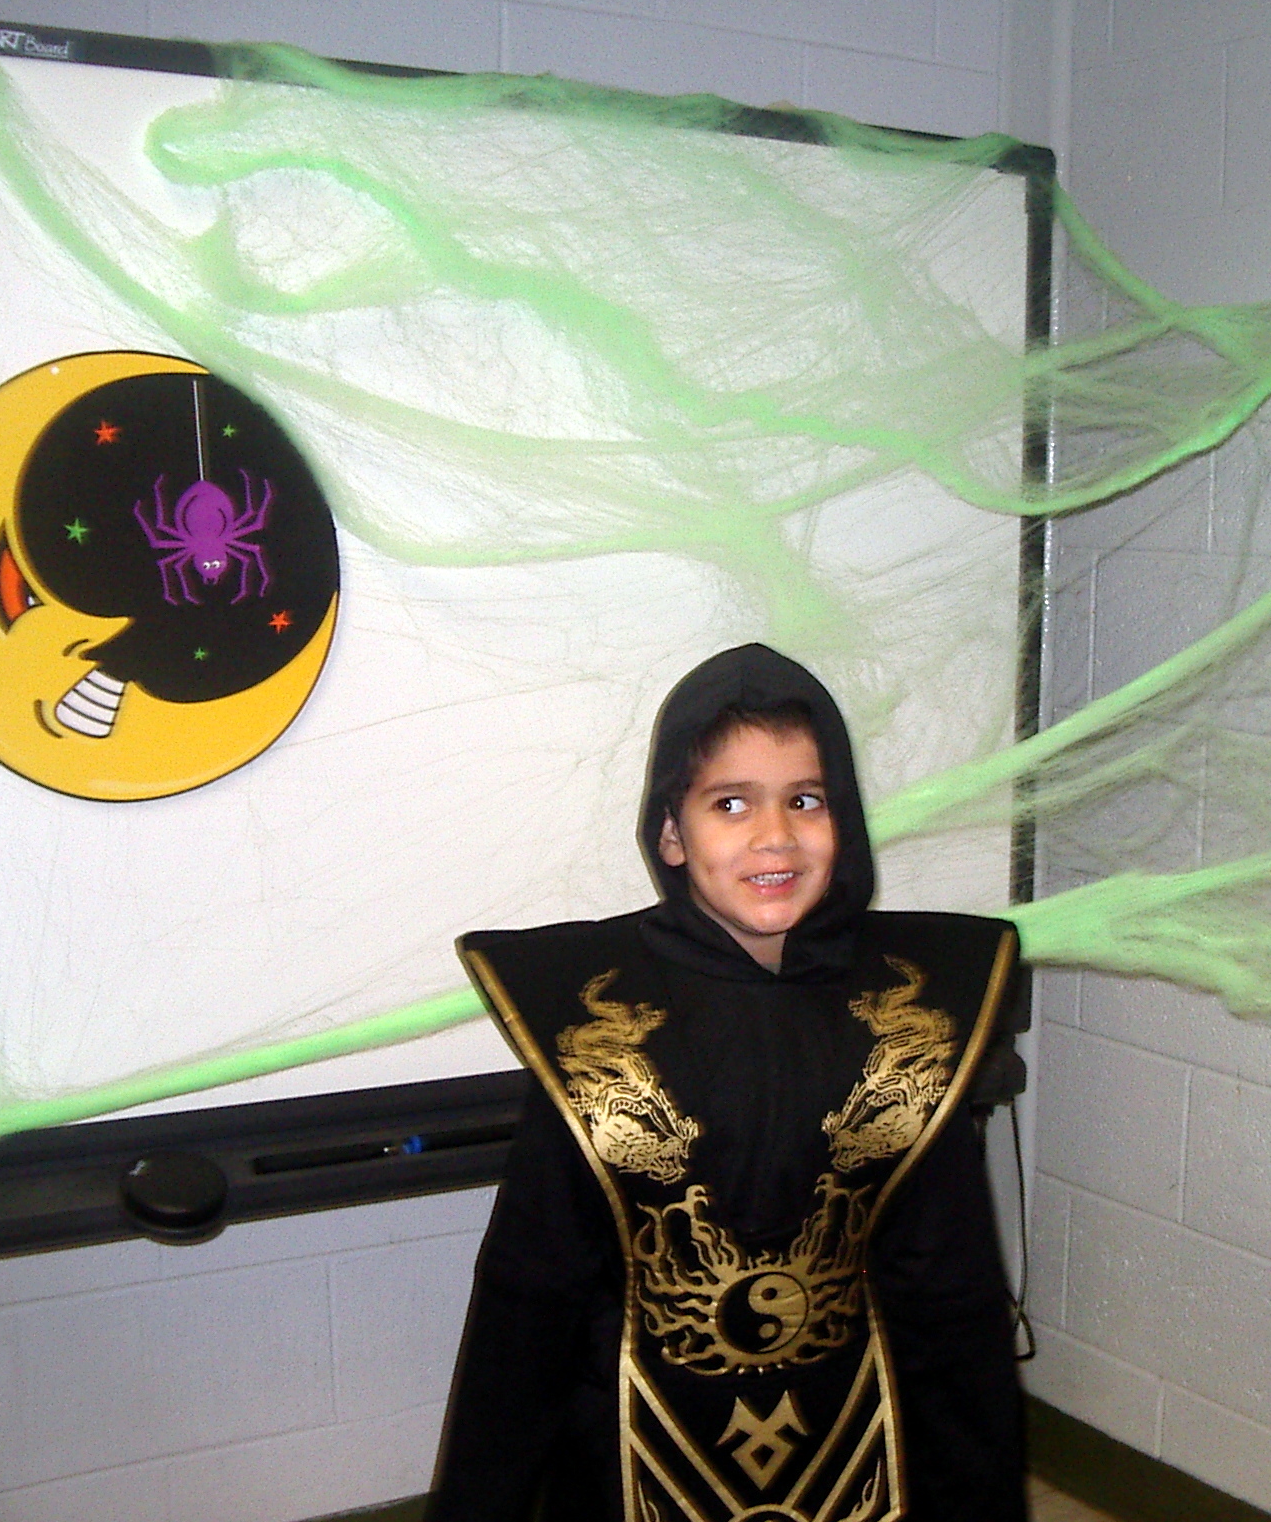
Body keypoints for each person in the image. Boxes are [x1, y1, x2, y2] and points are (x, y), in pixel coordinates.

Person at [427, 642, 1028, 1522]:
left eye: (806, 800)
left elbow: (951, 1299)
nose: (774, 835)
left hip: (859, 1461)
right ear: (672, 833)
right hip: (634, 1462)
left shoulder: (917, 1014)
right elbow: (529, 1306)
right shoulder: (591, 1019)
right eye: (731, 803)